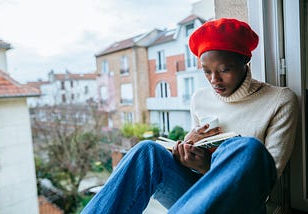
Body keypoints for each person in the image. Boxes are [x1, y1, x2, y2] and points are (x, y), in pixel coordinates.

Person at [81, 18, 298, 214]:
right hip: (197, 197)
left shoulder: (279, 100)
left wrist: (208, 166)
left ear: (245, 61)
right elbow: (193, 168)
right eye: (206, 71)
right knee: (147, 151)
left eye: (224, 69)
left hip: (243, 204)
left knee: (245, 148)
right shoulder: (200, 99)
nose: (214, 80)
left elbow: (266, 178)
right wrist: (187, 152)